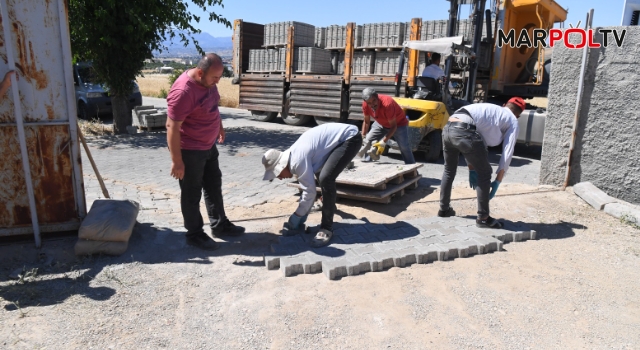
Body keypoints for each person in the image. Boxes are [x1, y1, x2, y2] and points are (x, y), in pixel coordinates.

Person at [166, 53, 244, 251]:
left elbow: (213, 106)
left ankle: (220, 225)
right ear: (200, 72)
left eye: (219, 77)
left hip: (209, 146)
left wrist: (219, 126)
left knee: (213, 186)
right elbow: (172, 127)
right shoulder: (184, 91)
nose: (218, 81)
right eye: (215, 78)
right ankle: (194, 234)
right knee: (191, 193)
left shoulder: (208, 83)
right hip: (190, 150)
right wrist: (177, 161)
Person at [262, 123, 362, 247]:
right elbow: (309, 189)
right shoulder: (293, 156)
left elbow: (309, 191)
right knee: (322, 175)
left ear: (281, 166)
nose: (280, 178)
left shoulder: (297, 161)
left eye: (278, 174)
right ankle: (329, 205)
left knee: (326, 178)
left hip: (350, 138)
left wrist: (298, 215)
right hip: (340, 139)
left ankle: (326, 228)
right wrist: (303, 214)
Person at [438, 97, 525, 229]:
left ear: (504, 104)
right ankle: (483, 217)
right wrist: (498, 181)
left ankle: (444, 209)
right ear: (518, 115)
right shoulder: (512, 121)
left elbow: (473, 144)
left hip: (448, 127)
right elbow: (507, 152)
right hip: (464, 130)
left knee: (449, 170)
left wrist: (472, 169)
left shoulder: (491, 110)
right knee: (485, 173)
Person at [358, 88, 415, 164]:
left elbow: (393, 126)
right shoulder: (365, 105)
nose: (372, 104)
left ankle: (411, 168)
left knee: (404, 147)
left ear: (377, 97)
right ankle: (368, 162)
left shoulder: (387, 104)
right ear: (365, 102)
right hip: (380, 123)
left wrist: (383, 142)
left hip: (398, 124)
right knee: (368, 140)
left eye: (374, 101)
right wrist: (363, 136)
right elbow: (366, 121)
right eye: (369, 103)